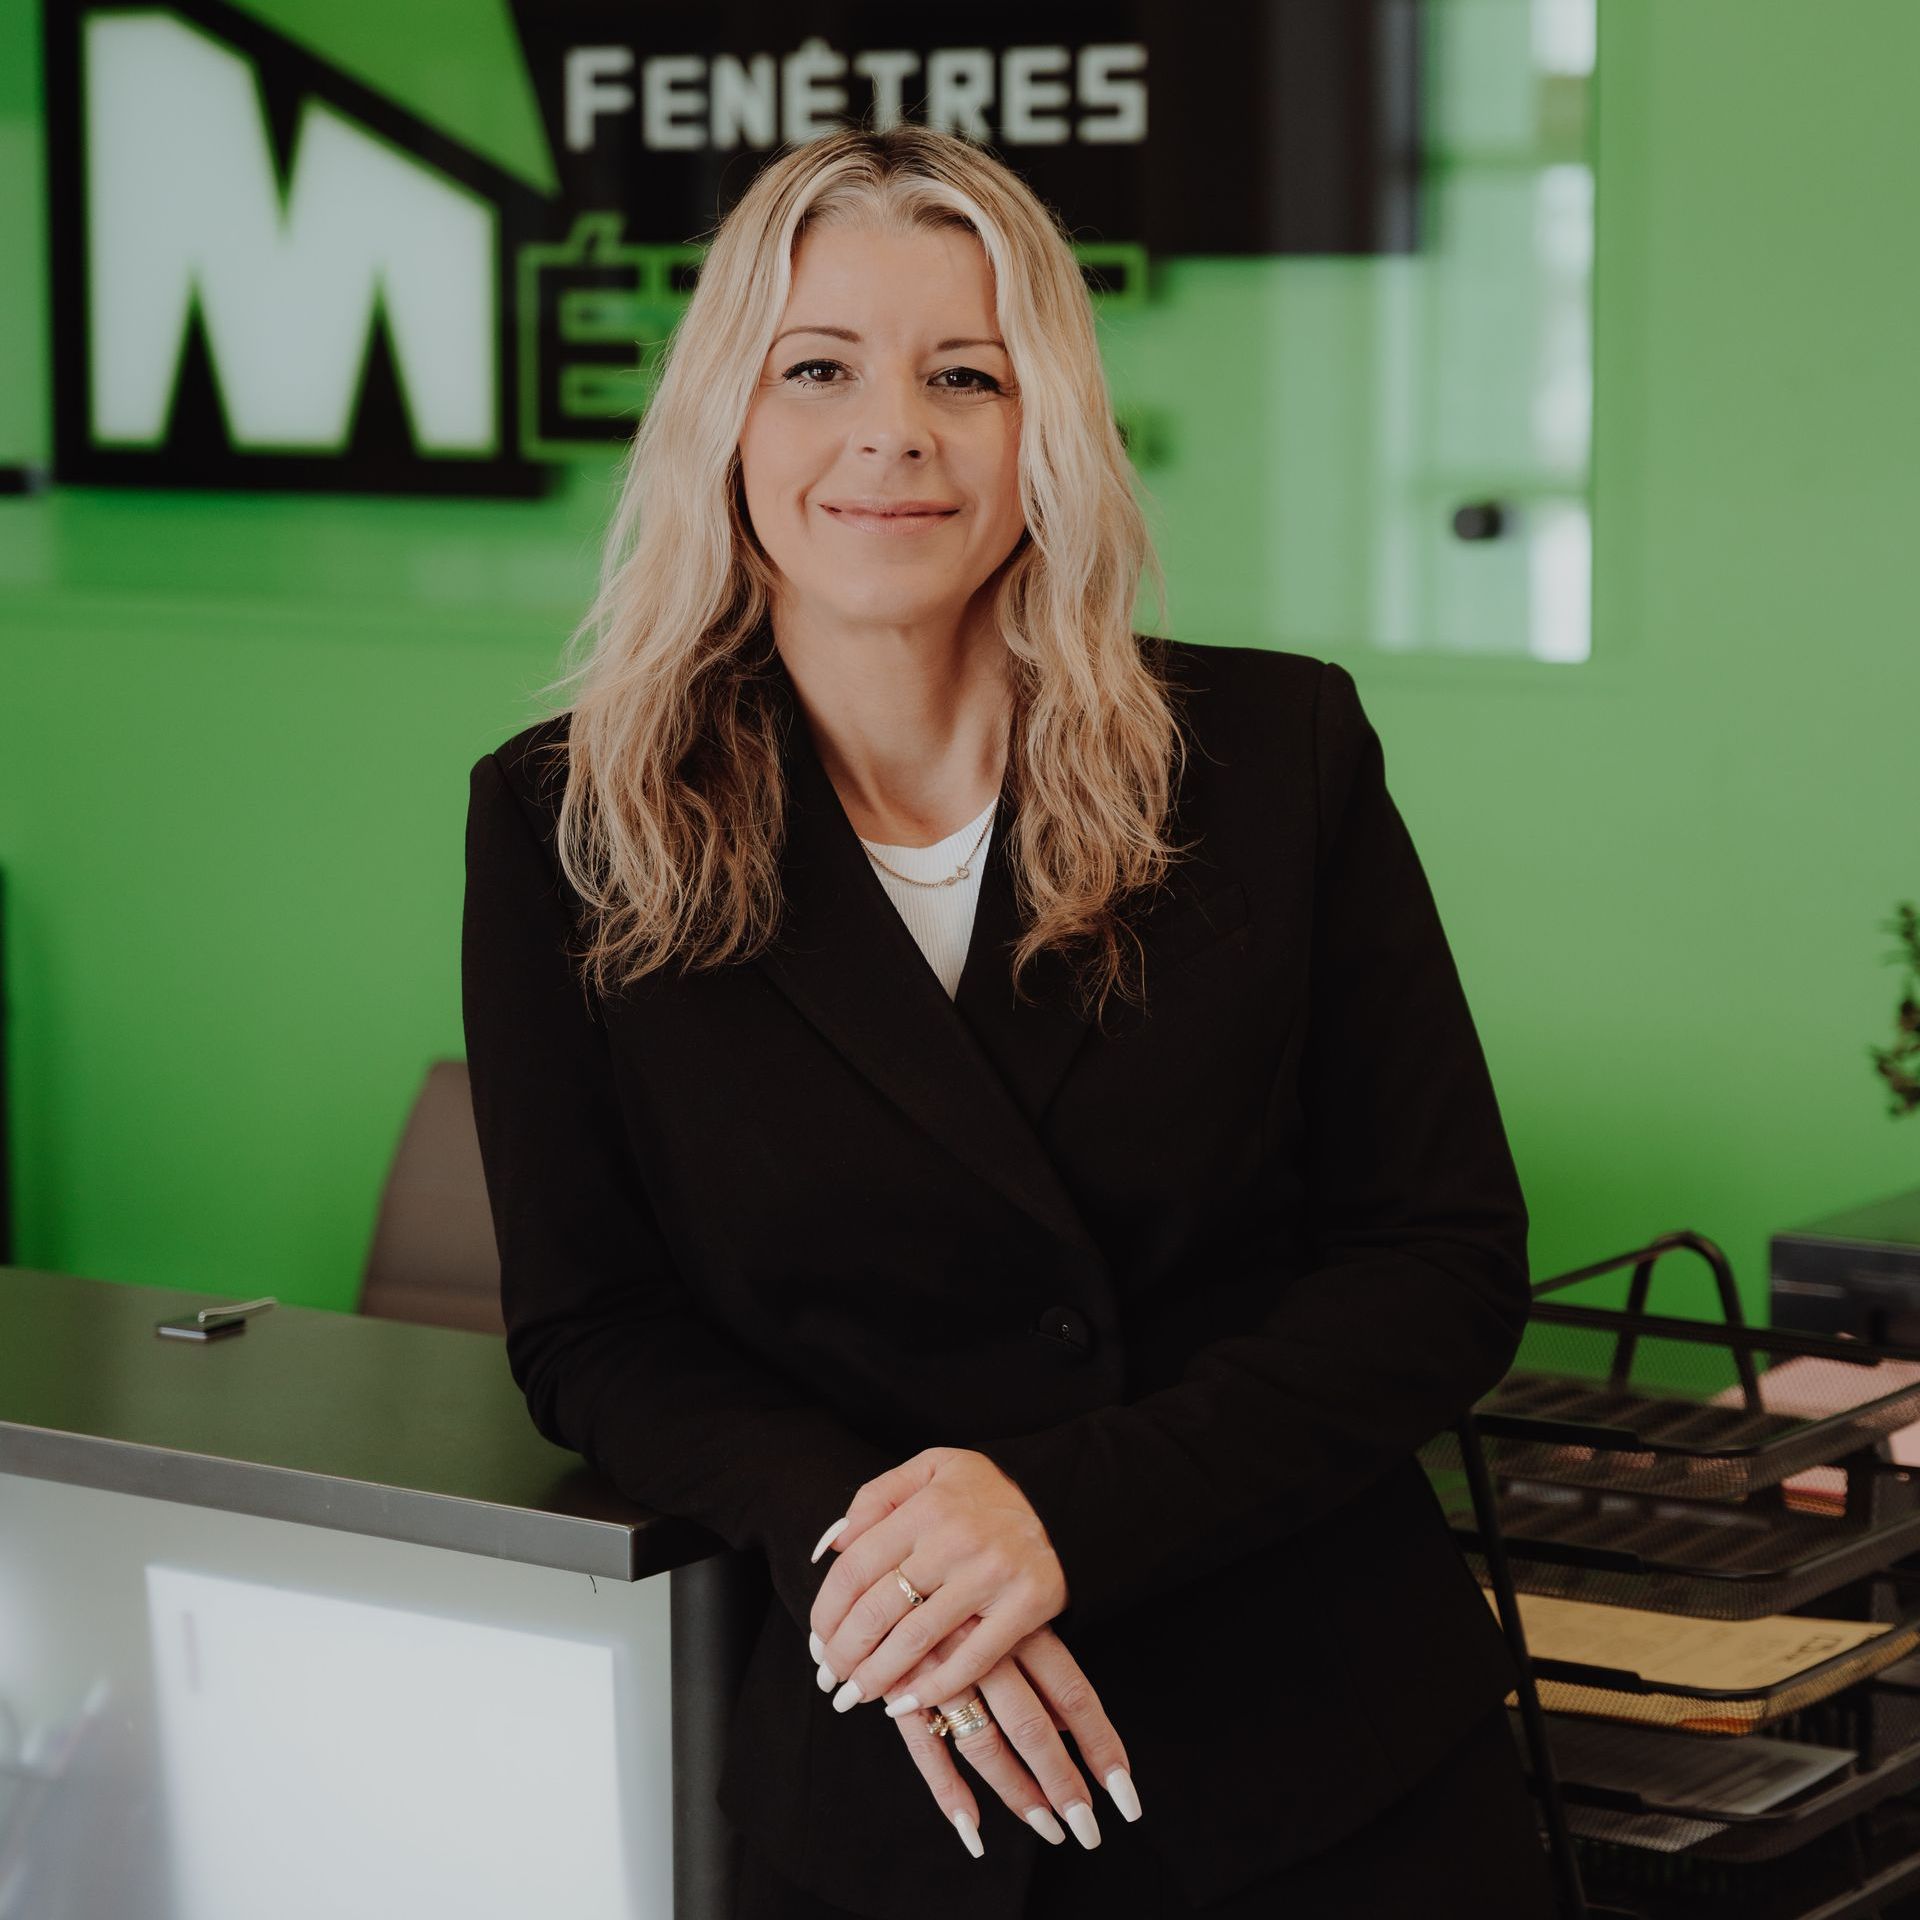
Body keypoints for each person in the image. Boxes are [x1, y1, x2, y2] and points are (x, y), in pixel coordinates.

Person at [461, 121, 1558, 1920]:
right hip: (908, 1774)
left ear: (1044, 426)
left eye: (962, 373)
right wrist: (886, 1565)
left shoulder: (1273, 759)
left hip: (1325, 1761)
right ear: (722, 420)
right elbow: (595, 1326)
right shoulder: (567, 824)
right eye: (817, 368)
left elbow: (1439, 1261)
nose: (890, 429)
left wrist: (1059, 1514)